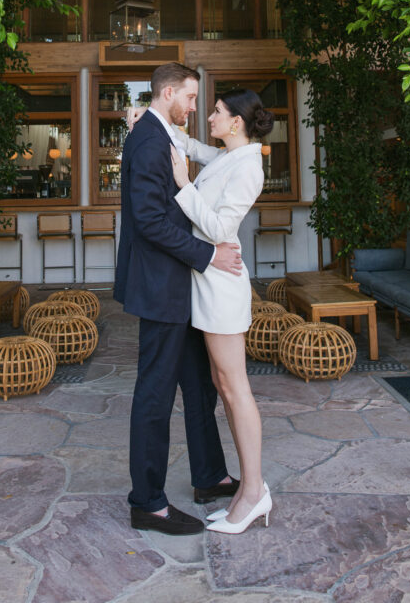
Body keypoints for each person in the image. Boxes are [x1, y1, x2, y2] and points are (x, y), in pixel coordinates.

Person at [127, 86, 275, 535]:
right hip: (204, 285)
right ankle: (232, 483)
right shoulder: (226, 155)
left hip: (222, 286)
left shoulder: (250, 166)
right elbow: (186, 144)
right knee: (218, 385)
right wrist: (144, 115)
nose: (206, 115)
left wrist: (184, 186)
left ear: (236, 123)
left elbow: (220, 227)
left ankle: (253, 493)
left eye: (215, 111)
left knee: (234, 387)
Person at [114, 63, 243, 537]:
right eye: (190, 98)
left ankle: (209, 476)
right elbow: (149, 221)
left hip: (179, 284)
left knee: (198, 386)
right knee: (155, 395)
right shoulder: (148, 139)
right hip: (162, 287)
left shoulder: (162, 133)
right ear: (168, 93)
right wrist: (209, 255)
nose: (194, 106)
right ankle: (147, 502)